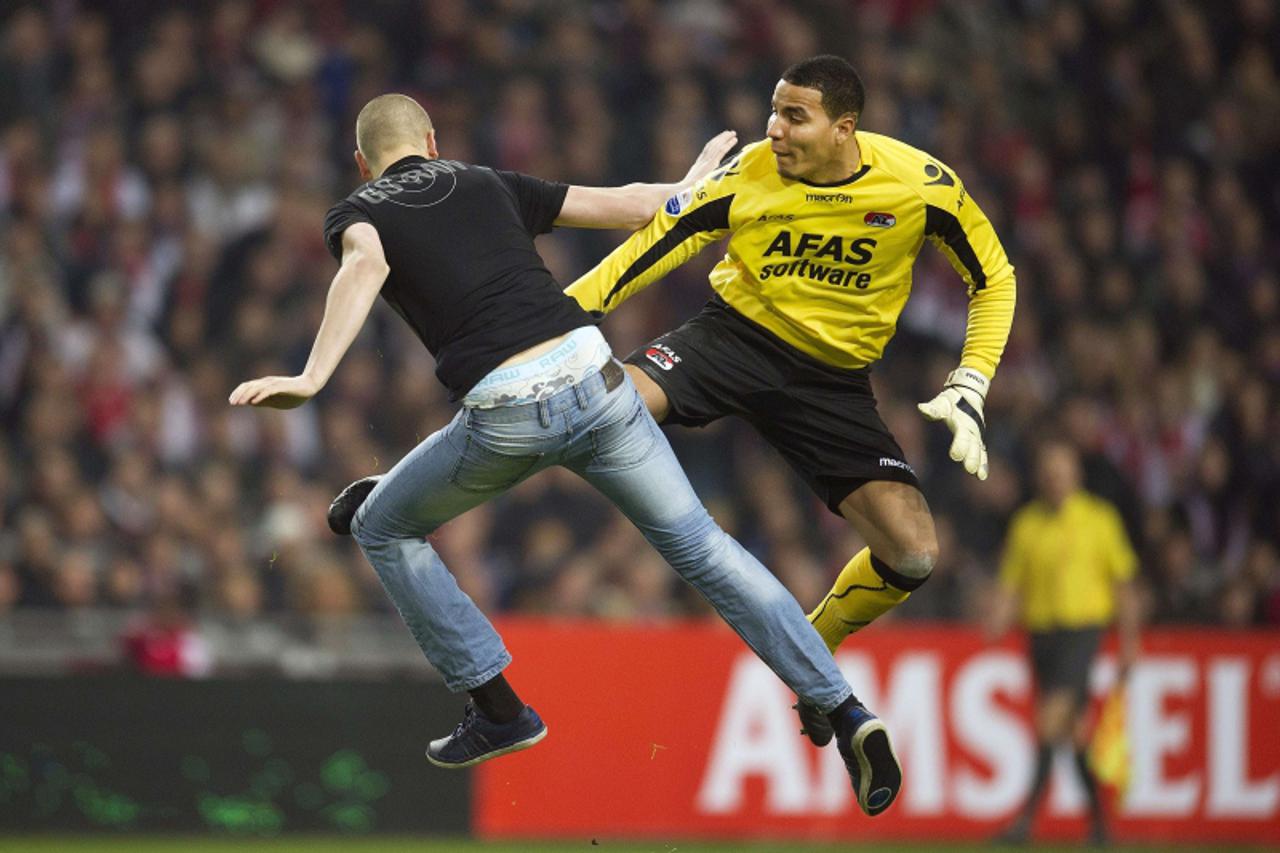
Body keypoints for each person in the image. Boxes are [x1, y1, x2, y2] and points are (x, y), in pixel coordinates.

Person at [232, 94, 902, 816]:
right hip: (600, 381)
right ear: (432, 139)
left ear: (363, 161)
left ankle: (497, 706)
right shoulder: (487, 179)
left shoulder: (358, 209)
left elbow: (362, 265)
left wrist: (311, 376)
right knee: (708, 549)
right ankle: (845, 707)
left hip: (509, 412)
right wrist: (698, 177)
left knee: (383, 527)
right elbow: (640, 205)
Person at [564, 55, 1017, 744]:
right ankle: (409, 487)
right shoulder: (751, 171)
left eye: (794, 116)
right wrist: (561, 317)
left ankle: (811, 654)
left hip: (829, 382)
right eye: (773, 111)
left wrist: (973, 378)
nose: (773, 130)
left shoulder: (921, 188)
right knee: (583, 402)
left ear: (844, 128)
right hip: (734, 338)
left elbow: (994, 277)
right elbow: (658, 243)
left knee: (916, 551)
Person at [987, 438, 1141, 845]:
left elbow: (1123, 585)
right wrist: (996, 620)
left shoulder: (1099, 520)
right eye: (1048, 472)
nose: (1054, 479)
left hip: (1082, 632)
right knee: (1075, 734)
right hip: (1041, 636)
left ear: (1076, 475)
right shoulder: (1026, 524)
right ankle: (1101, 827)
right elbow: (1010, 585)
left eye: (1061, 471)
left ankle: (1023, 821)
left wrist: (1129, 640)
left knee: (1048, 720)